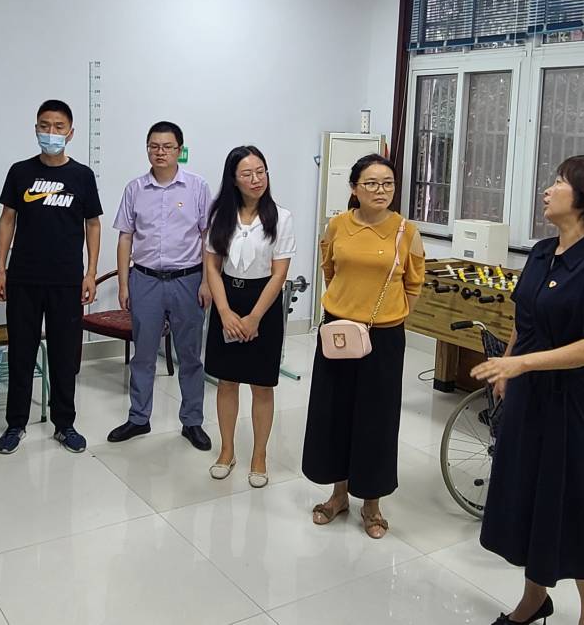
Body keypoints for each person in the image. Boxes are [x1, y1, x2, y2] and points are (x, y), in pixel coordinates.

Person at [471, 156, 584, 625]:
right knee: (527, 498)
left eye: (559, 182)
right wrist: (509, 368)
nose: (548, 189)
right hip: (526, 396)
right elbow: (525, 319)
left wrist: (519, 363)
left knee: (570, 507)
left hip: (566, 404)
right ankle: (534, 599)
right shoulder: (543, 251)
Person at [303, 154, 424, 540]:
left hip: (383, 337)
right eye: (371, 183)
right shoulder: (338, 225)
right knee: (334, 412)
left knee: (377, 419)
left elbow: (414, 284)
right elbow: (329, 269)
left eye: (387, 183)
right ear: (354, 188)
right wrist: (346, 307)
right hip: (338, 331)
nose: (380, 190)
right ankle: (338, 494)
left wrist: (390, 316)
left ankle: (371, 503)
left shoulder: (406, 231)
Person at [0, 100, 102, 455]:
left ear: (70, 133)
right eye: (45, 125)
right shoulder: (20, 172)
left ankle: (64, 424)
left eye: (58, 127)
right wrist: (1, 269)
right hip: (23, 277)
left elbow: (93, 224)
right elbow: (7, 219)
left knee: (64, 356)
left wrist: (91, 273)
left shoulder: (82, 176)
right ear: (36, 129)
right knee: (20, 353)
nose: (51, 132)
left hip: (67, 280)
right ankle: (15, 423)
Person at [108, 122, 212, 450]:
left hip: (188, 281)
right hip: (145, 280)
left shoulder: (197, 187)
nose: (160, 152)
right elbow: (125, 237)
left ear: (179, 149)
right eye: (154, 146)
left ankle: (192, 421)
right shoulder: (135, 189)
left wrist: (208, 281)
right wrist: (124, 284)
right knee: (143, 355)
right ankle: (139, 417)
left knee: (190, 356)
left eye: (167, 146)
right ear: (147, 149)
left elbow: (208, 237)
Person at [202, 146, 294, 488]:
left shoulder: (281, 217)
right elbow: (212, 266)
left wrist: (254, 317)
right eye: (247, 174)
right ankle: (227, 451)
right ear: (234, 179)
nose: (256, 179)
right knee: (227, 381)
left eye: (261, 171)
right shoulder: (220, 216)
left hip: (263, 303)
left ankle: (259, 455)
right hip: (227, 297)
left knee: (262, 384)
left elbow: (279, 273)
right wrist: (224, 311)